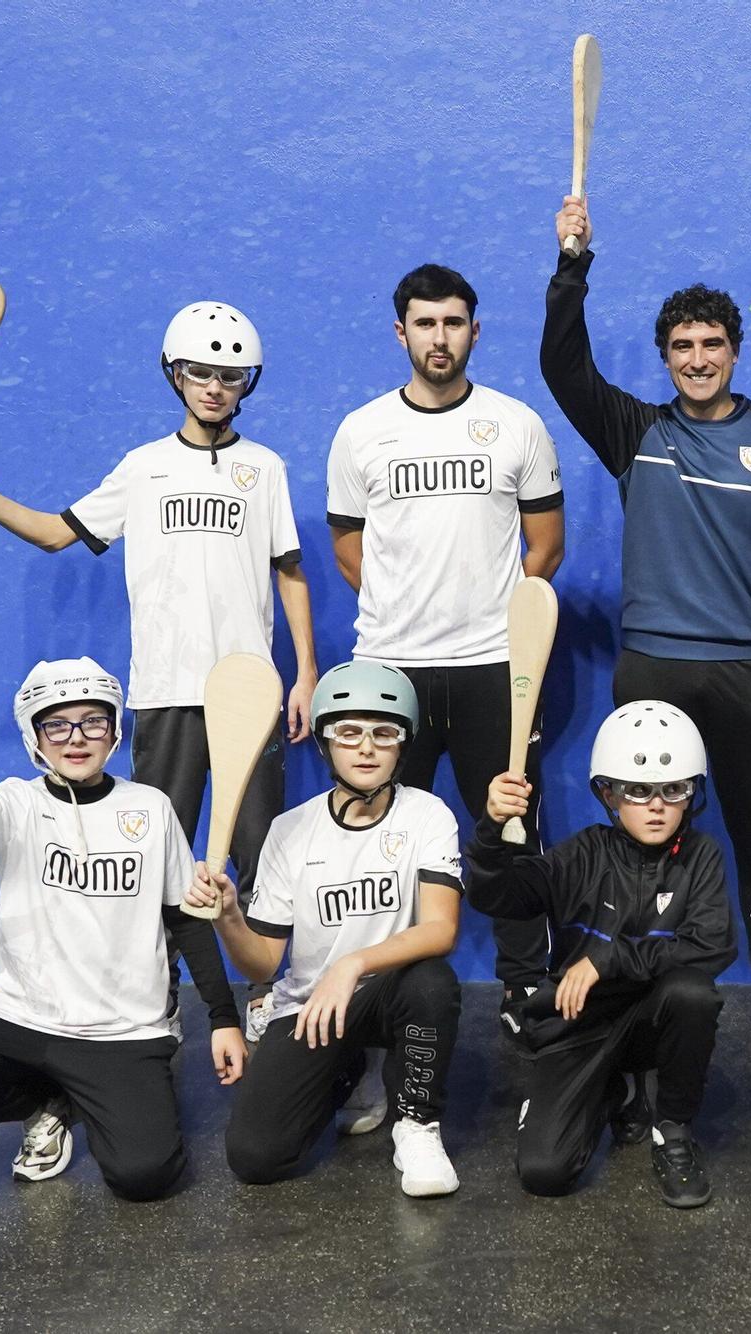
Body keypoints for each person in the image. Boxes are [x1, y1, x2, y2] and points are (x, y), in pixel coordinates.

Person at [542, 198, 751, 990]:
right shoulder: (637, 432)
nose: (698, 359)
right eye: (682, 348)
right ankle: (640, 990)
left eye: (712, 345)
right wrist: (574, 263)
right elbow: (563, 369)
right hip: (655, 670)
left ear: (737, 352)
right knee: (642, 844)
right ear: (665, 359)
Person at [0, 300, 315, 895]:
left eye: (230, 377)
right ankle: (159, 988)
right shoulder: (144, 468)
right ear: (174, 374)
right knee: (158, 856)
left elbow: (290, 573)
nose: (214, 388)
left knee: (260, 852)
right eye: (199, 372)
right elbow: (55, 533)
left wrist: (305, 674)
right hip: (165, 689)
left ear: (246, 385)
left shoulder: (264, 468)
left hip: (249, 690)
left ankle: (265, 988)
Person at [0, 659, 244, 1200]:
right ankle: (42, 1103)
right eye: (57, 724)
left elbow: (186, 919)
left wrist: (222, 1018)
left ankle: (91, 1096)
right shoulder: (15, 804)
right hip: (23, 1013)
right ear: (35, 736)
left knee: (145, 1177)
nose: (76, 738)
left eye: (93, 722)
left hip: (124, 1028)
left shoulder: (149, 807)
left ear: (114, 729)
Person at [327, 264, 565, 1041]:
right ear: (401, 332)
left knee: (512, 829)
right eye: (424, 324)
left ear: (474, 330)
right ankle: (370, 1003)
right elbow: (348, 547)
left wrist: (491, 624)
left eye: (453, 323)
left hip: (497, 669)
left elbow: (546, 545)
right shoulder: (362, 431)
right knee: (381, 834)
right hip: (391, 671)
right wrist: (406, 615)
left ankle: (525, 991)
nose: (440, 337)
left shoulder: (517, 424)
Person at [190, 662, 464, 1197]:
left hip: (388, 991)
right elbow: (264, 964)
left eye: (384, 733)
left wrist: (352, 963)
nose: (366, 748)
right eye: (349, 733)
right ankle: (350, 1068)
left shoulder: (427, 815)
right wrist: (228, 917)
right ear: (325, 744)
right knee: (256, 1156)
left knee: (432, 982)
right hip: (311, 1007)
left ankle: (417, 1125)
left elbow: (440, 929)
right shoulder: (290, 830)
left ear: (402, 744)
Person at [466, 701, 734, 1209]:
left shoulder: (702, 856)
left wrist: (606, 960)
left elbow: (712, 944)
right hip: (580, 1024)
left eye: (673, 789)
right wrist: (490, 834)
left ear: (693, 792)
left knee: (692, 992)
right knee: (545, 1172)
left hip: (654, 1018)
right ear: (608, 794)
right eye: (638, 791)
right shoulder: (581, 853)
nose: (656, 805)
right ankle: (615, 1088)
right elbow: (498, 897)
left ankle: (672, 1129)